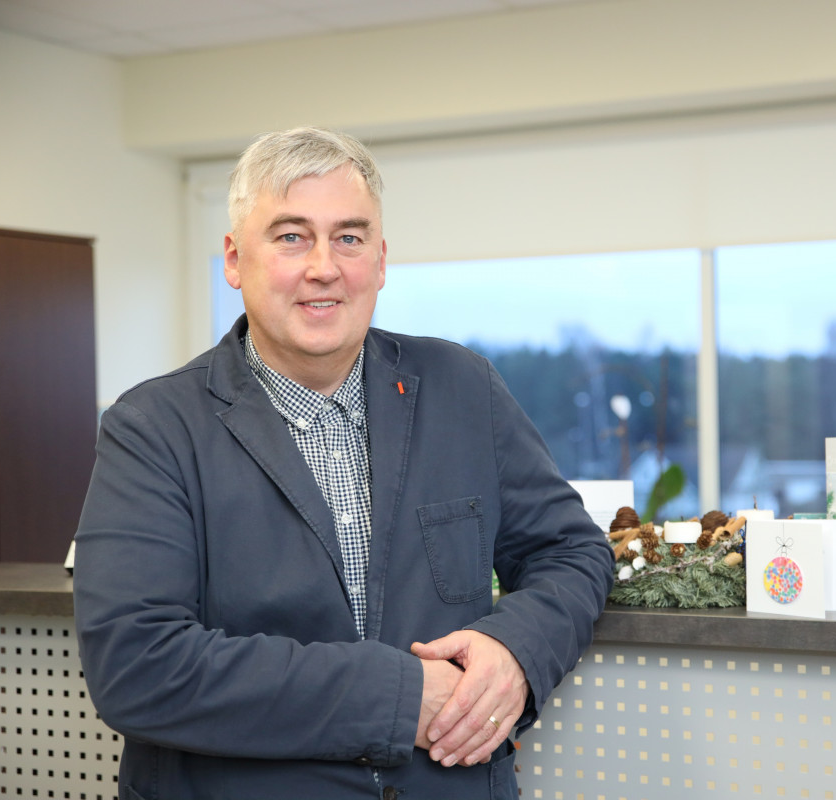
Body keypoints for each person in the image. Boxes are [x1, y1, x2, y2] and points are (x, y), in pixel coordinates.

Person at [73, 127, 614, 800]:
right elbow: (137, 665)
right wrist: (401, 696)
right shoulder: (152, 427)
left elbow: (571, 552)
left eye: (349, 238)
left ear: (380, 261)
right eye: (291, 236)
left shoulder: (464, 387)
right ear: (235, 259)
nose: (324, 267)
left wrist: (515, 651)